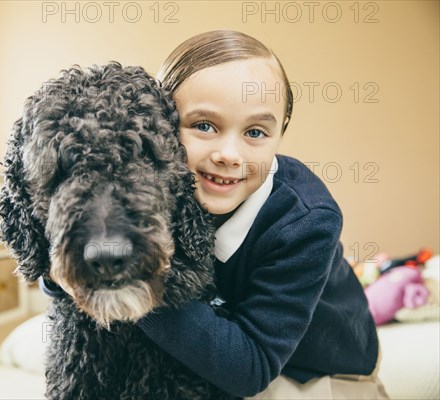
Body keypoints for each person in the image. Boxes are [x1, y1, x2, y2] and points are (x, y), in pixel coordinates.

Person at [43, 30, 389, 399]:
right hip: (221, 333)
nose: (229, 153)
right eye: (204, 126)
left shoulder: (306, 222)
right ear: (160, 126)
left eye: (255, 131)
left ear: (280, 135)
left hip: (312, 366)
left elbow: (251, 368)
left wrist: (128, 283)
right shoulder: (160, 184)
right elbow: (64, 275)